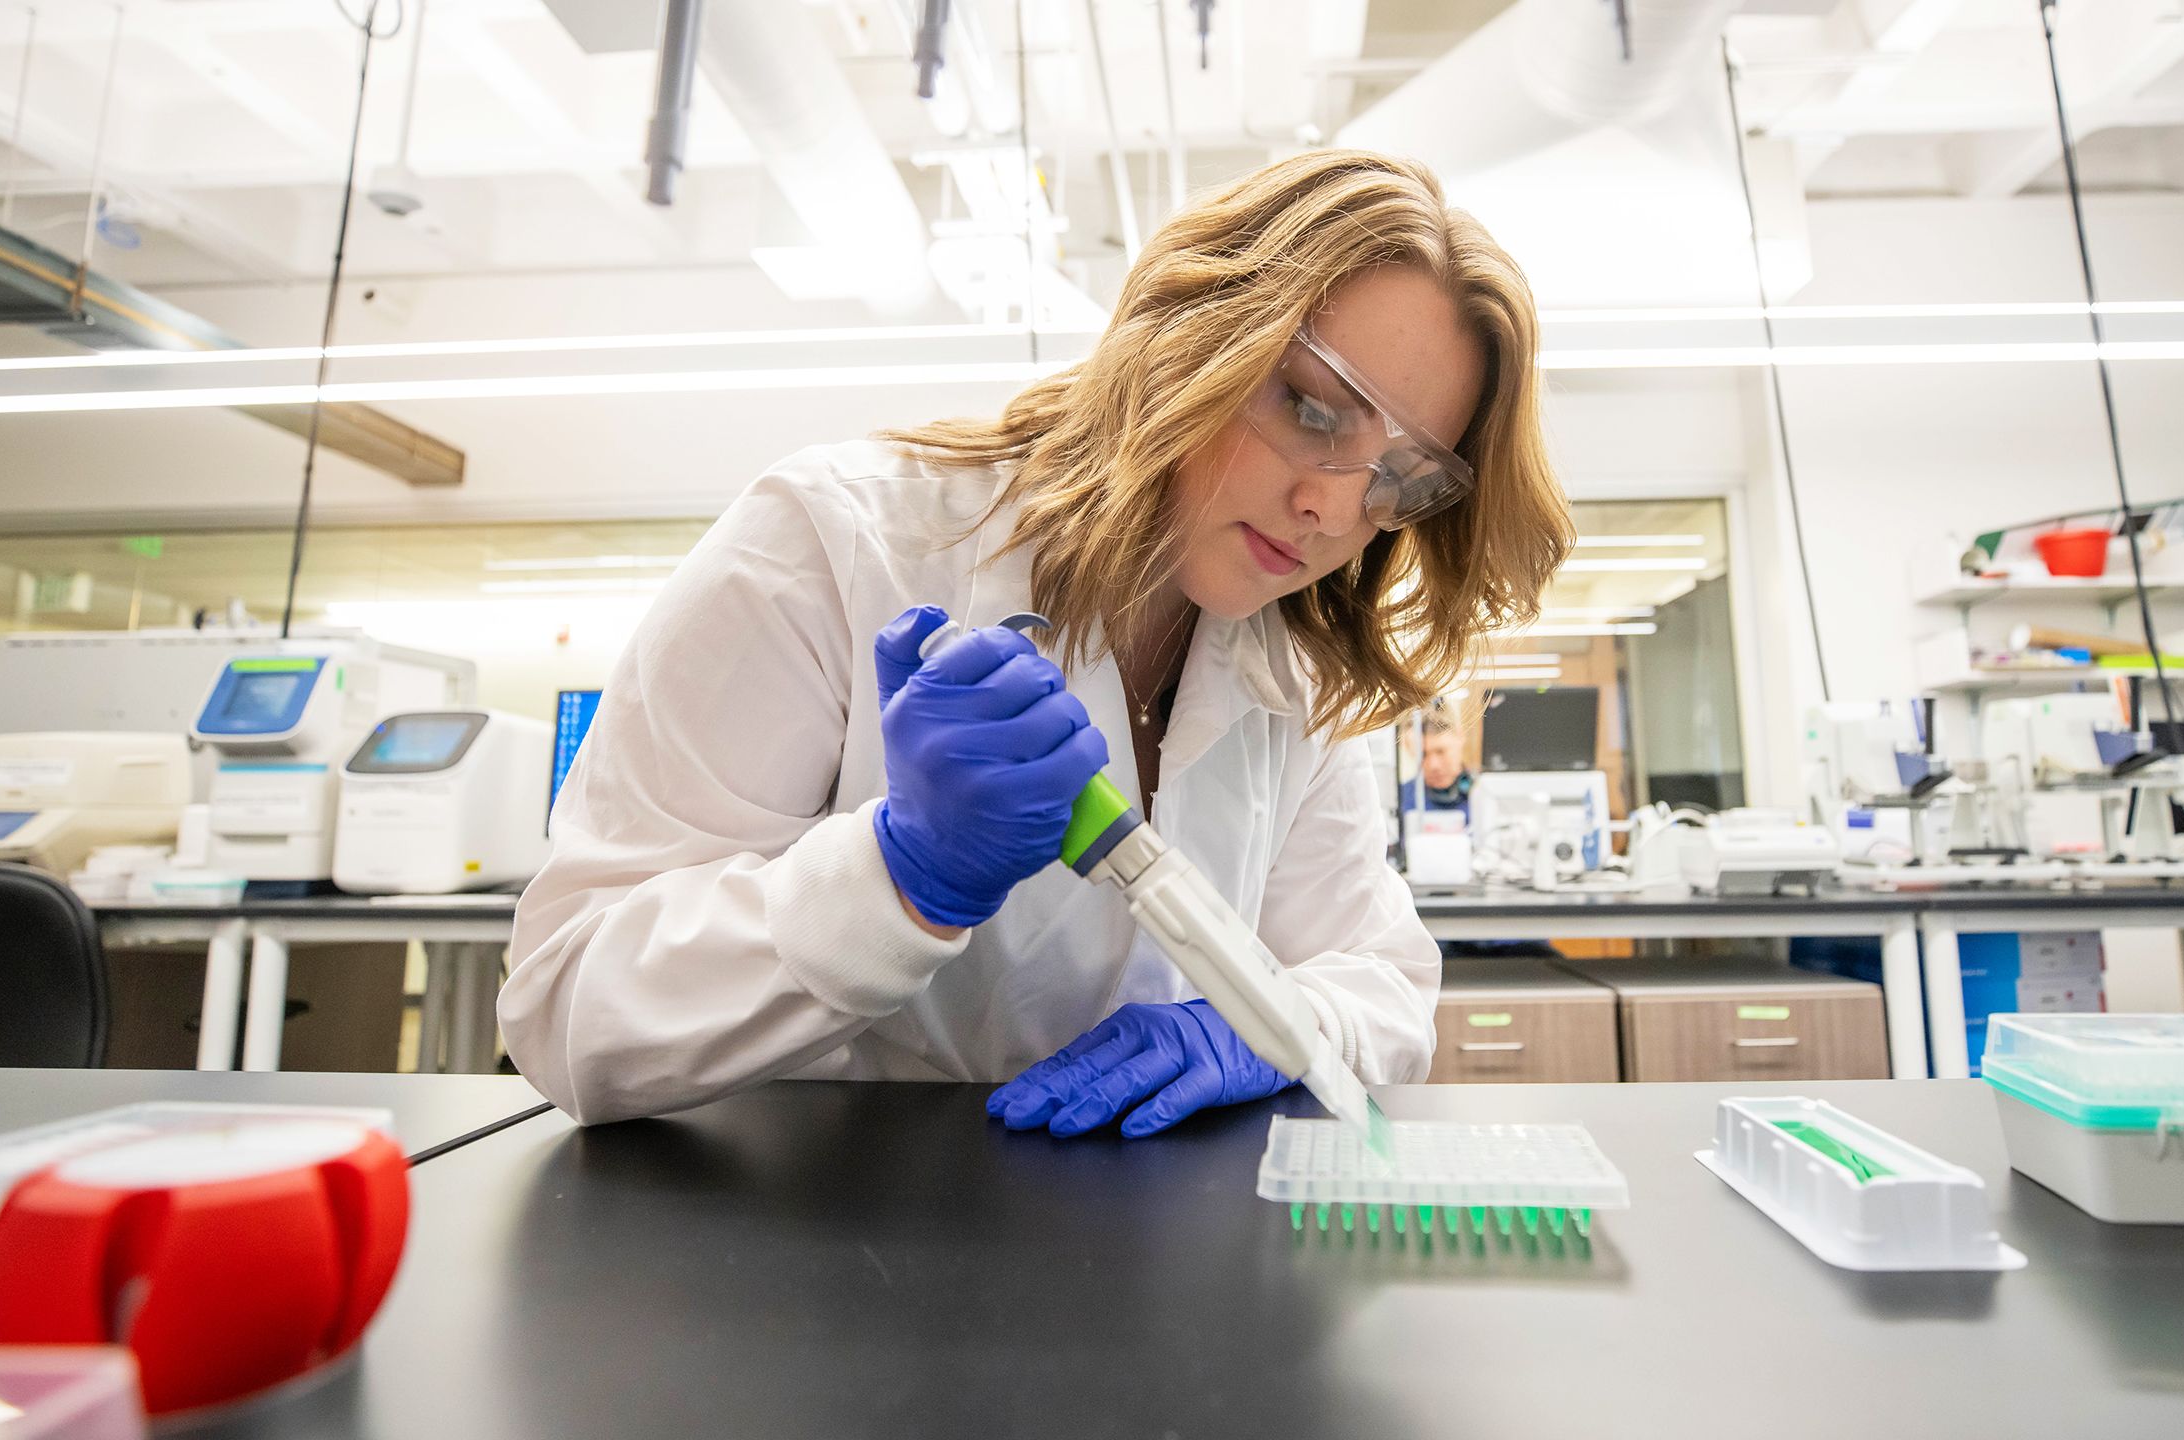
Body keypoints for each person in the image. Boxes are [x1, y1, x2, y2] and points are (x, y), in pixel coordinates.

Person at [500, 150, 1573, 1135]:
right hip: (800, 1250)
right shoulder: (835, 543)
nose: (1332, 511)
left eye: (1401, 478)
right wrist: (898, 876)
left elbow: (1380, 977)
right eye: (1310, 407)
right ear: (1190, 330)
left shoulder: (1286, 662)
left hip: (1146, 1267)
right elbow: (567, 1012)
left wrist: (1273, 1024)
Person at [1400, 715, 1473, 814]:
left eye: (1441, 752)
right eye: (1423, 755)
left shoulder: (1486, 794)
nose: (1434, 766)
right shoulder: (1400, 799)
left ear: (1460, 738)